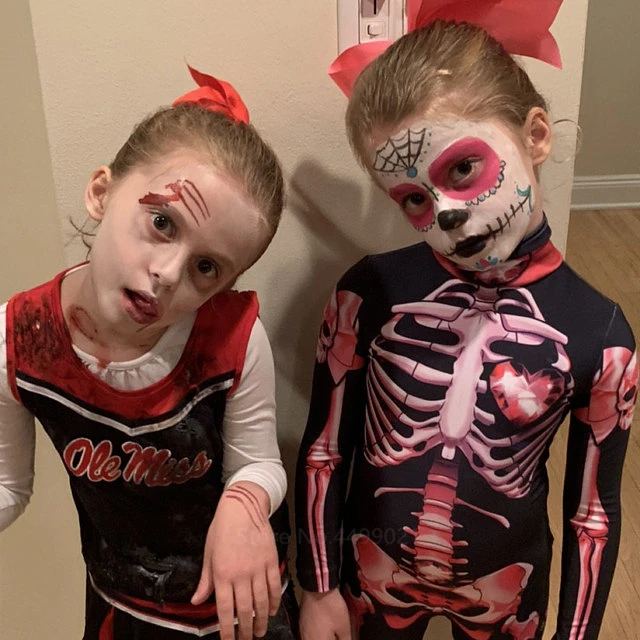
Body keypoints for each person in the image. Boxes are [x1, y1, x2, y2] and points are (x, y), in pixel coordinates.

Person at [295, 3, 637, 640]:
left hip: (507, 590)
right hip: (372, 575)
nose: (446, 215)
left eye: (462, 168)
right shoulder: (366, 294)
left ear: (536, 137)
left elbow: (593, 513)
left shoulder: (601, 334)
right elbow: (325, 450)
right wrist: (317, 588)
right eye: (414, 199)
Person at [0, 65, 298, 640]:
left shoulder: (233, 339)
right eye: (162, 222)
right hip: (126, 607)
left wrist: (245, 503)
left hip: (241, 606)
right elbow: (9, 484)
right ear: (101, 193)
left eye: (206, 267)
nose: (167, 273)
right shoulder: (20, 340)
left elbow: (258, 463)